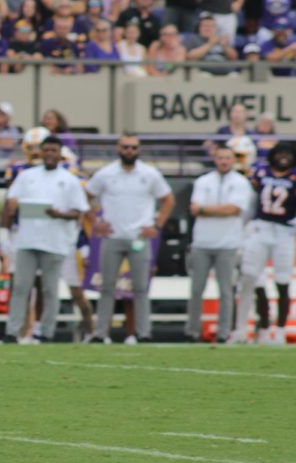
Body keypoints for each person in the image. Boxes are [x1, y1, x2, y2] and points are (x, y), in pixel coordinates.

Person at [86, 133, 175, 344]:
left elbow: (168, 200)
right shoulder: (106, 173)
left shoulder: (149, 173)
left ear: (138, 150)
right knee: (107, 287)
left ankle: (143, 333)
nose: (129, 151)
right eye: (126, 147)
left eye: (133, 147)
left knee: (140, 288)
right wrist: (95, 222)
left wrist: (157, 225)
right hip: (113, 236)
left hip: (138, 238)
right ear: (118, 148)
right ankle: (101, 333)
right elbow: (86, 196)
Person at [1, 136, 90, 344]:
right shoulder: (26, 176)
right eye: (46, 150)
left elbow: (79, 212)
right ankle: (12, 331)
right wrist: (5, 229)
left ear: (60, 154)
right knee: (21, 287)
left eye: (53, 150)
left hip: (55, 241)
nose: (49, 154)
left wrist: (59, 214)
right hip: (27, 239)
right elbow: (10, 202)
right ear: (40, 153)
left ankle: (47, 333)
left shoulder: (69, 179)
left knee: (50, 290)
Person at [184, 145, 252, 344]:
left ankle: (224, 332)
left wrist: (207, 209)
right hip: (202, 242)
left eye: (227, 158)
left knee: (226, 290)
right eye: (220, 157)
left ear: (233, 160)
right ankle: (192, 331)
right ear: (215, 159)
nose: (224, 161)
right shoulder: (203, 181)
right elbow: (195, 209)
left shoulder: (241, 183)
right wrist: (216, 209)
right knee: (196, 289)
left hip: (228, 243)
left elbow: (234, 209)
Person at [233, 142, 296, 345]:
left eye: (288, 153)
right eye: (280, 153)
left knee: (283, 281)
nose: (283, 157)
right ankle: (257, 327)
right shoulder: (259, 173)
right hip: (261, 228)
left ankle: (279, 330)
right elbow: (249, 201)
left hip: (285, 231)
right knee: (252, 279)